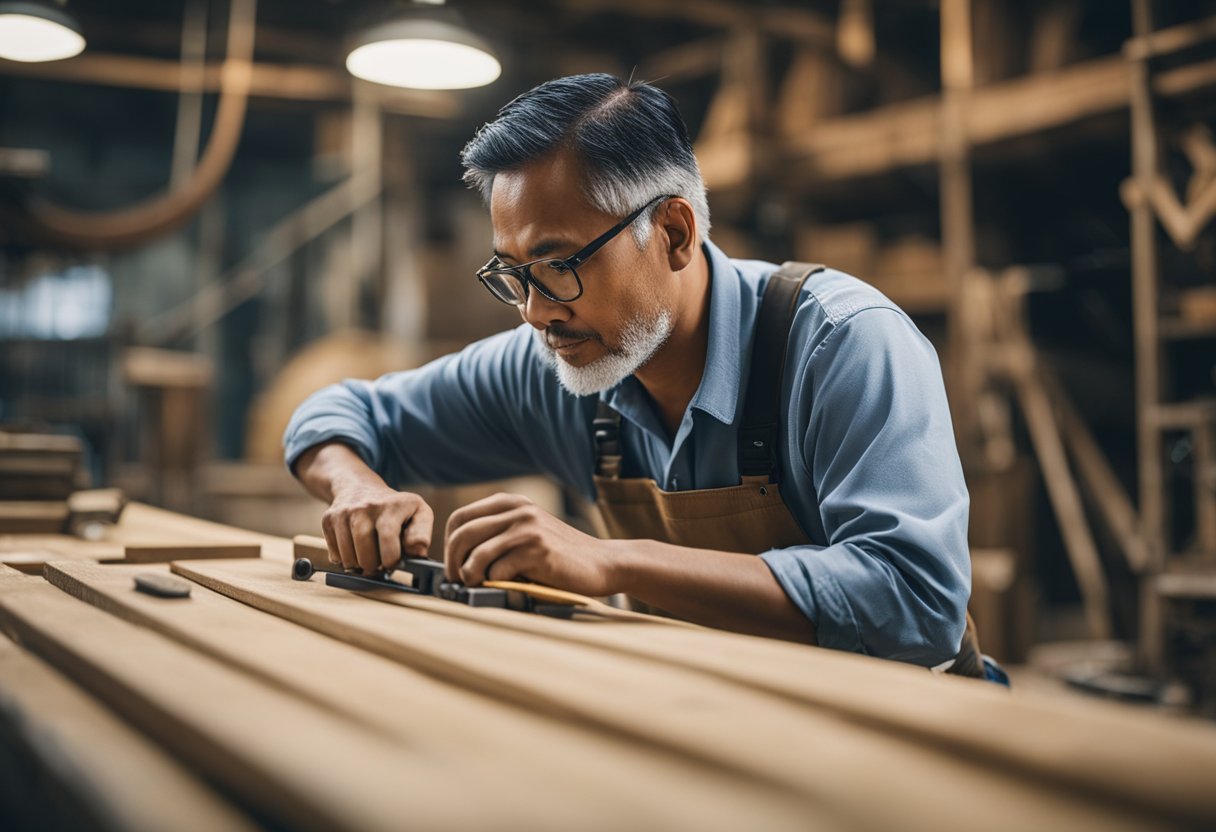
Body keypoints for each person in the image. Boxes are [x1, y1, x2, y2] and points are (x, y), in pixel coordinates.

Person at [285, 73, 976, 672]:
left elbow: (916, 603)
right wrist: (356, 490)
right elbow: (337, 417)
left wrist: (613, 562)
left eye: (559, 267)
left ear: (674, 233)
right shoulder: (555, 364)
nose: (532, 312)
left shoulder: (841, 345)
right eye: (514, 273)